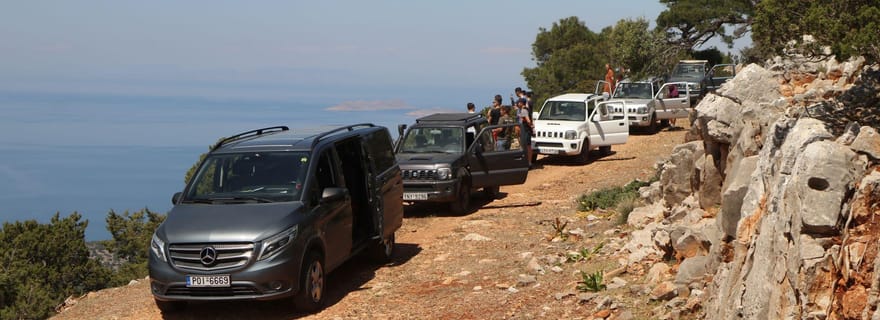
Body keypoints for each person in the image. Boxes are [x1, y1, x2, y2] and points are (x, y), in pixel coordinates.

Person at [516, 98, 534, 166]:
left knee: (527, 146)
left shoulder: (523, 110)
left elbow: (528, 120)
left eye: (518, 102)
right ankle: (529, 162)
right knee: (528, 146)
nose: (517, 104)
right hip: (527, 130)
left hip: (526, 129)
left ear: (521, 103)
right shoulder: (527, 109)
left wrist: (530, 125)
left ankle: (528, 162)